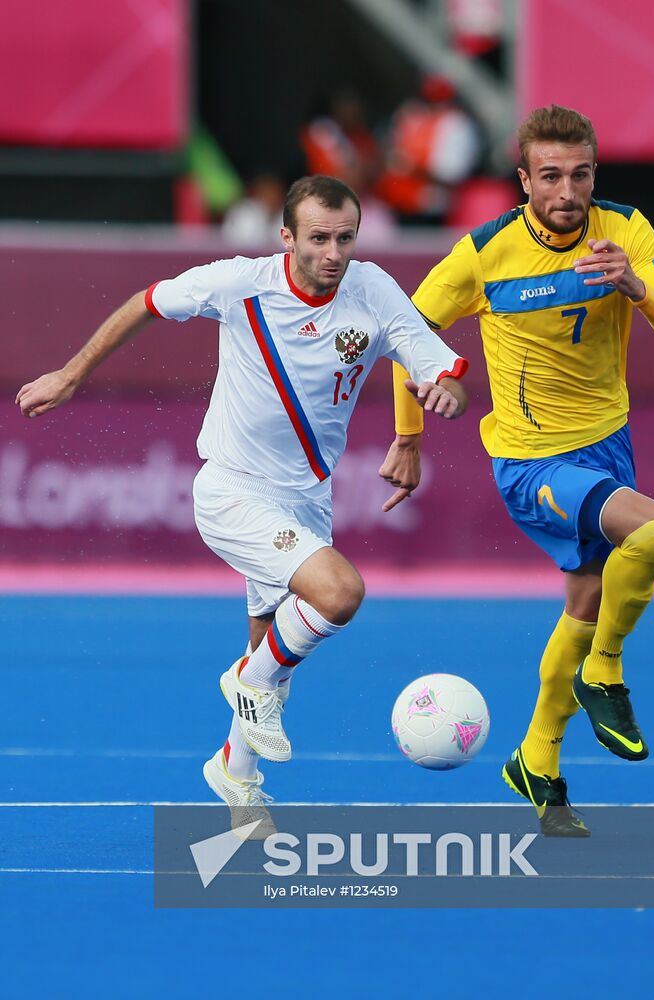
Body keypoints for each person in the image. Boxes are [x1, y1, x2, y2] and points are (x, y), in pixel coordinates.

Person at [16, 175, 469, 831]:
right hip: (232, 490)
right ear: (286, 236)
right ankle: (247, 680)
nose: (333, 253)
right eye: (318, 238)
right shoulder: (239, 282)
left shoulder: (371, 288)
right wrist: (71, 373)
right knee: (337, 595)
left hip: (306, 499)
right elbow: (146, 301)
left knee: (275, 654)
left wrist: (441, 396)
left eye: (345, 237)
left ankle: (237, 778)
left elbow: (432, 361)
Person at [380, 105, 654, 837]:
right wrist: (408, 440)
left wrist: (635, 288)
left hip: (606, 447)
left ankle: (537, 759)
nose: (567, 192)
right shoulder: (484, 253)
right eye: (550, 176)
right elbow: (405, 332)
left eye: (580, 174)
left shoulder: (624, 230)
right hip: (530, 464)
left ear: (595, 174)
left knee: (584, 602)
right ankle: (606, 674)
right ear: (522, 179)